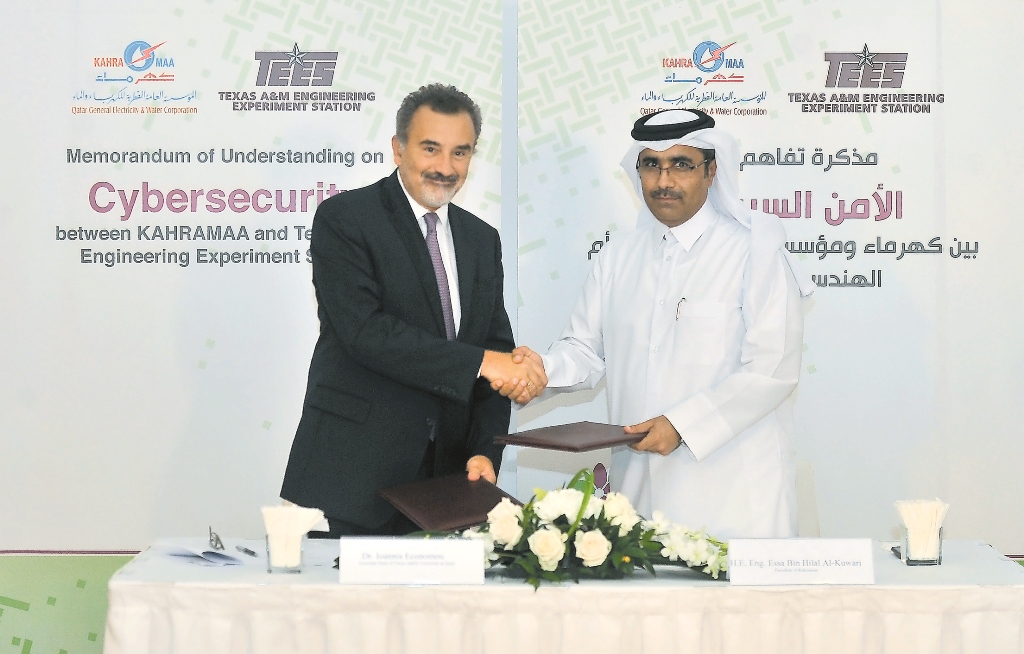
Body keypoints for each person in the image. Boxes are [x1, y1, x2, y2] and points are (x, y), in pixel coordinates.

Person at [501, 108, 815, 538]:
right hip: (639, 494)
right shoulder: (618, 256)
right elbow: (586, 351)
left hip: (735, 496)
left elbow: (773, 369)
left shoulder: (753, 253)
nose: (664, 181)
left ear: (711, 171)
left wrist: (683, 426)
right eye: (651, 165)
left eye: (681, 165)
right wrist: (539, 371)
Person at [281, 83, 544, 536]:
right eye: (430, 149)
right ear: (398, 149)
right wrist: (487, 362)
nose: (445, 168)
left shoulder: (482, 240)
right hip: (351, 480)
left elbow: (492, 348)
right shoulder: (345, 218)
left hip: (447, 489)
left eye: (460, 153)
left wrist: (484, 451)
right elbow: (367, 333)